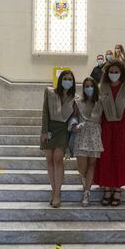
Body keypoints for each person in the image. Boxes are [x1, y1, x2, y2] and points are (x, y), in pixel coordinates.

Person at [94, 59, 125, 207]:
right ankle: (107, 188)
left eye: (116, 72)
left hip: (123, 126)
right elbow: (98, 109)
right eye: (111, 72)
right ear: (106, 73)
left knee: (120, 157)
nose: (113, 74)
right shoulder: (102, 87)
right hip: (106, 126)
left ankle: (117, 189)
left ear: (122, 73)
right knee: (106, 156)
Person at [40, 70, 77, 208]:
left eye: (70, 79)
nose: (67, 81)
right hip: (49, 128)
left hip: (63, 130)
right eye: (65, 78)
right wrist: (44, 131)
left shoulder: (75, 98)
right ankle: (54, 190)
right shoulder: (50, 93)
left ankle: (57, 194)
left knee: (58, 159)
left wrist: (74, 124)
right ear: (60, 79)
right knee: (49, 159)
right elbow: (45, 111)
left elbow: (75, 116)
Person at [73, 77, 104, 207]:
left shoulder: (100, 102)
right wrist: (74, 125)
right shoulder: (78, 101)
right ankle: (85, 182)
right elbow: (74, 116)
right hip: (82, 132)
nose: (88, 88)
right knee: (81, 166)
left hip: (95, 133)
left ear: (95, 87)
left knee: (92, 164)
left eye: (91, 86)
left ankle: (87, 191)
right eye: (86, 86)